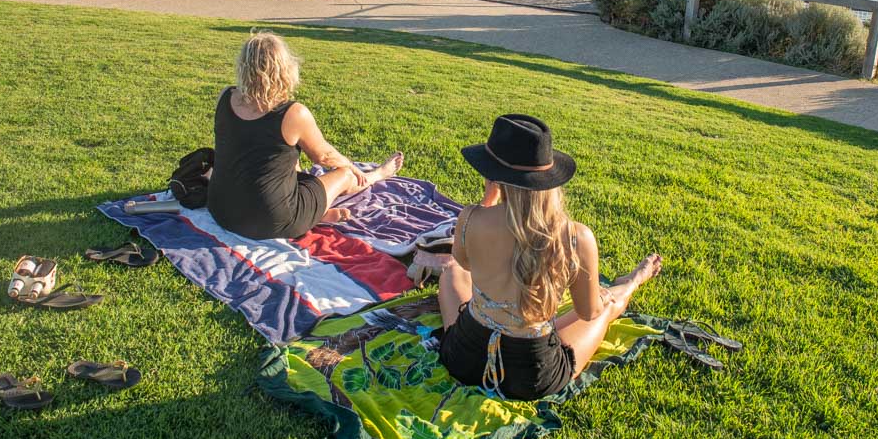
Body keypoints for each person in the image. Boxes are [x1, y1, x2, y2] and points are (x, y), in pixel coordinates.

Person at [438, 114, 661, 401]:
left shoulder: (470, 218)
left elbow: (464, 263)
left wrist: (488, 200)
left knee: (450, 273)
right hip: (531, 373)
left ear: (492, 175)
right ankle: (631, 282)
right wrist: (600, 297)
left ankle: (528, 318)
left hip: (465, 358)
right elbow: (587, 312)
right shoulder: (575, 238)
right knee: (604, 307)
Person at [207, 31, 403, 240]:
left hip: (222, 209)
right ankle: (379, 174)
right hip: (268, 221)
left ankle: (316, 214)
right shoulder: (292, 113)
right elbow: (325, 156)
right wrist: (351, 166)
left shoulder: (225, 96)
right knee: (344, 175)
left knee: (290, 161)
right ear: (284, 68)